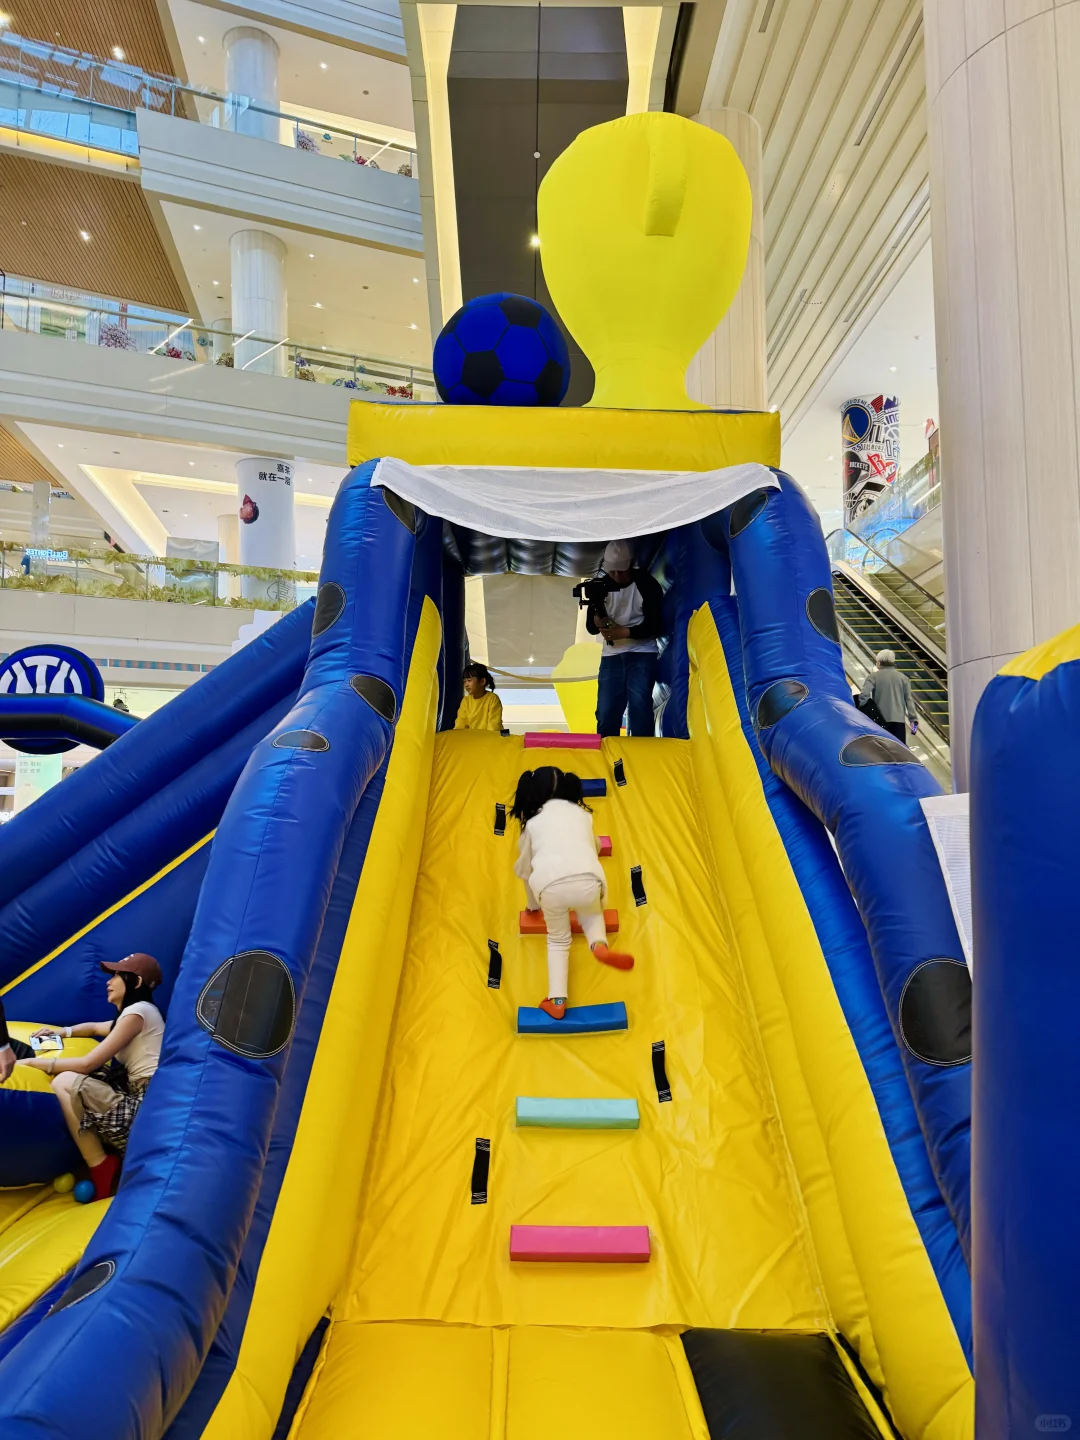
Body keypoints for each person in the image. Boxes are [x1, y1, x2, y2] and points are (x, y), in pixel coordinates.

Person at [19, 952, 165, 1201]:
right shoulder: (132, 1015)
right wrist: (61, 1033)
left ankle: (100, 1164)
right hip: (141, 1105)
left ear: (136, 982)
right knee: (89, 1077)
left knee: (65, 1081)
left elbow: (87, 1064)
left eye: (116, 975)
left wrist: (34, 1063)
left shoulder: (138, 1012)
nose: (109, 981)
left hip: (147, 1115)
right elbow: (94, 1028)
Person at [511, 766, 633, 1021]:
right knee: (592, 915)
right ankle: (598, 944)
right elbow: (595, 846)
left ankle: (557, 1000)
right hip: (589, 879)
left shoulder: (532, 824)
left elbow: (525, 871)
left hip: (551, 886)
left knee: (558, 939)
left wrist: (533, 906)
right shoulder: (582, 816)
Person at [586, 540, 664, 738]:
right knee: (606, 712)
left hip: (642, 652)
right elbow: (590, 628)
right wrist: (597, 621)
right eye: (612, 571)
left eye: (621, 571)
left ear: (631, 564)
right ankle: (608, 753)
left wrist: (625, 632)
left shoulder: (647, 584)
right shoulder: (599, 586)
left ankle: (641, 753)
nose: (616, 576)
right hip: (611, 655)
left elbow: (655, 625)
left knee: (640, 709)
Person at [859, 650, 917, 745]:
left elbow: (864, 696)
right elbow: (909, 700)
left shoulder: (873, 677)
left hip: (879, 721)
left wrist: (863, 711)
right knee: (898, 749)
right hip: (899, 722)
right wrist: (913, 721)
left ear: (879, 662)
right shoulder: (903, 678)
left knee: (881, 749)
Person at [454, 662, 503, 732]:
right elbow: (460, 724)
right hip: (474, 737)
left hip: (491, 736)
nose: (466, 685)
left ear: (482, 681)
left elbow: (494, 726)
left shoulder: (493, 699)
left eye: (469, 680)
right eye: (464, 681)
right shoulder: (466, 701)